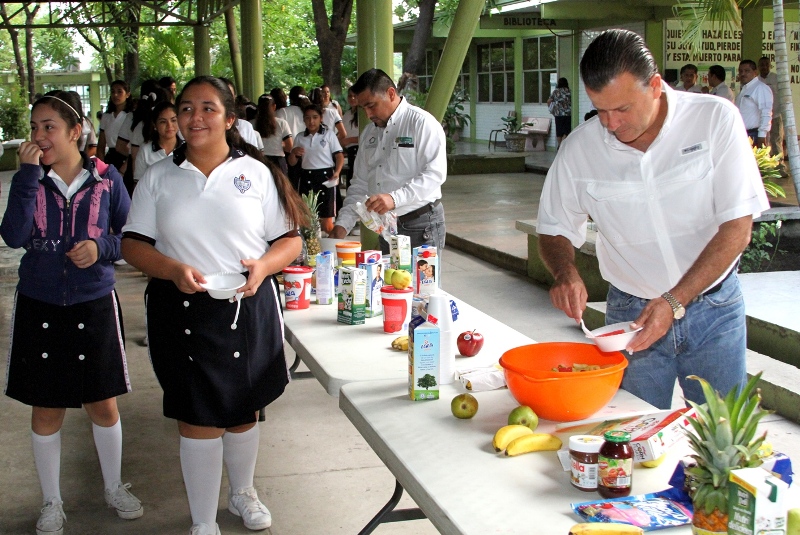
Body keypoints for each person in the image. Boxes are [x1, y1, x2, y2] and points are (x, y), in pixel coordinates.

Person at [536, 29, 769, 410]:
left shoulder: (714, 120)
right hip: (629, 316)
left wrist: (674, 301)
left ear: (656, 86)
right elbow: (553, 228)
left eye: (622, 109)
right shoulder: (581, 148)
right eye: (600, 109)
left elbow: (738, 229)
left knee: (724, 435)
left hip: (713, 310)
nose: (610, 123)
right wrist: (566, 273)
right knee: (627, 436)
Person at [121, 75, 306, 535]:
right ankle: (203, 519)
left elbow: (288, 241)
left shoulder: (256, 173)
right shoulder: (159, 176)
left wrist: (262, 267)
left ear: (228, 117)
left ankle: (243, 492)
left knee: (244, 410)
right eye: (186, 108)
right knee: (198, 416)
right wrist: (170, 269)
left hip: (247, 304)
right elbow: (132, 245)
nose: (194, 117)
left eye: (207, 108)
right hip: (181, 307)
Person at [0, 91, 141, 535]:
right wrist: (26, 176)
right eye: (35, 127)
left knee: (102, 401)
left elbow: (131, 238)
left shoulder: (107, 179)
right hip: (40, 301)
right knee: (46, 407)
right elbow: (14, 235)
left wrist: (101, 247)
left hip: (93, 301)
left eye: (49, 127)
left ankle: (114, 485)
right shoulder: (31, 180)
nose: (39, 136)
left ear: (75, 131)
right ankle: (51, 500)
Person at [329, 68, 446, 254]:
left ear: (391, 94)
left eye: (371, 105)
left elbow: (434, 175)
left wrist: (394, 198)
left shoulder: (422, 123)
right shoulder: (369, 133)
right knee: (389, 282)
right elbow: (360, 184)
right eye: (363, 108)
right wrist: (343, 224)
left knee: (420, 283)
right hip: (386, 227)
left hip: (421, 225)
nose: (368, 114)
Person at [287, 103, 344, 234]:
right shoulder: (300, 137)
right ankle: (313, 248)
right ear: (303, 119)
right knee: (308, 218)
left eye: (315, 117)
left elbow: (339, 156)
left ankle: (329, 249)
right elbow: (292, 162)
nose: (311, 121)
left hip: (326, 177)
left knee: (327, 221)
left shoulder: (329, 134)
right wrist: (293, 153)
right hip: (307, 177)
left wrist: (337, 172)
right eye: (307, 118)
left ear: (321, 118)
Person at [133, 100, 181, 183]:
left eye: (173, 120)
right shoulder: (145, 150)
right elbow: (138, 183)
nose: (169, 125)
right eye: (163, 122)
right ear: (155, 125)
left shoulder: (188, 148)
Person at [219, 77, 264, 152]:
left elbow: (253, 155)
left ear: (234, 98)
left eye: (229, 95)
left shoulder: (245, 126)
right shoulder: (204, 126)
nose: (225, 100)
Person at [736, 59, 773, 148]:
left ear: (755, 72)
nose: (743, 74)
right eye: (741, 71)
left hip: (755, 134)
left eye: (747, 71)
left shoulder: (760, 88)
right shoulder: (745, 89)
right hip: (743, 133)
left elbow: (766, 112)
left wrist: (762, 135)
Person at [253, 93, 293, 175]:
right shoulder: (282, 123)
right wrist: (280, 145)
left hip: (259, 160)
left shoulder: (251, 124)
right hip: (278, 162)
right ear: (274, 106)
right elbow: (289, 147)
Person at [97, 80, 133, 168]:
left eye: (119, 92)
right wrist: (101, 166)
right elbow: (101, 145)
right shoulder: (106, 116)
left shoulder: (131, 115)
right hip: (111, 158)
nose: (115, 95)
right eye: (113, 92)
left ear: (127, 94)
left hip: (127, 157)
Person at [758, 56, 784, 158]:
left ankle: (780, 167)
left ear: (770, 65)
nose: (764, 67)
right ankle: (766, 167)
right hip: (761, 117)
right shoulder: (757, 80)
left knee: (776, 141)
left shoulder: (776, 78)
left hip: (775, 115)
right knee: (764, 141)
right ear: (758, 67)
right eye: (762, 65)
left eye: (766, 64)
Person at [340, 87, 360, 189]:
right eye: (350, 96)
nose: (352, 98)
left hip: (359, 149)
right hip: (349, 150)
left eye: (354, 96)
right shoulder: (347, 114)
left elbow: (366, 136)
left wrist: (350, 140)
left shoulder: (363, 113)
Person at [547, 77, 572, 147]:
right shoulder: (569, 91)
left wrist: (551, 109)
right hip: (568, 114)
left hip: (558, 114)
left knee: (559, 131)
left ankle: (559, 145)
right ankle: (563, 145)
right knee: (566, 131)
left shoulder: (556, 91)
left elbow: (549, 101)